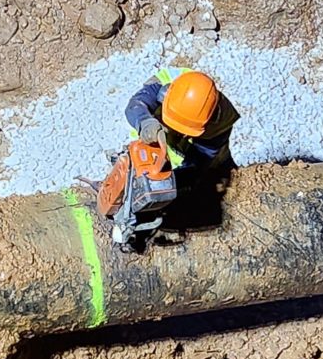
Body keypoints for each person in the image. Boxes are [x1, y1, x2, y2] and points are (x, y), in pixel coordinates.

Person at [96, 67, 238, 248]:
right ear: (167, 93)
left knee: (200, 182)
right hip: (158, 130)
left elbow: (199, 162)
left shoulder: (219, 123)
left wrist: (166, 186)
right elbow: (136, 104)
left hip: (197, 151)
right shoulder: (172, 82)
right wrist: (145, 122)